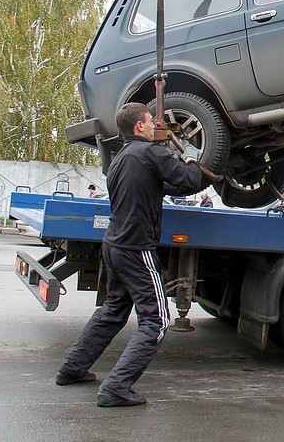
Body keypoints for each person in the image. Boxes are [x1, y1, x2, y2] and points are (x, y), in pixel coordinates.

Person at [55, 102, 204, 407]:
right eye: (151, 123)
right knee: (157, 320)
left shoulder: (121, 158)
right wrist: (191, 159)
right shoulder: (151, 153)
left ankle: (71, 369)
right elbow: (189, 181)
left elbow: (158, 188)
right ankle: (116, 388)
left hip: (114, 244)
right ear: (139, 126)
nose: (154, 127)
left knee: (113, 311)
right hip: (137, 248)